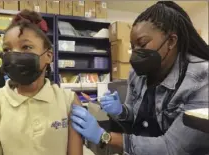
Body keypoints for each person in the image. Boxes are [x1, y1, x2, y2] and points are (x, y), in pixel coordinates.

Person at [70, 1, 209, 155]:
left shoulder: (201, 78)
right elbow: (134, 116)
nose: (135, 53)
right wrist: (120, 111)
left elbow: (171, 148)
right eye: (133, 46)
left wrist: (104, 136)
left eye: (142, 44)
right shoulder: (138, 74)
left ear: (171, 41)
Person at [0, 10, 83, 155]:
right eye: (7, 49)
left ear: (48, 56)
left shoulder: (68, 100)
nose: (14, 55)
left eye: (26, 47)